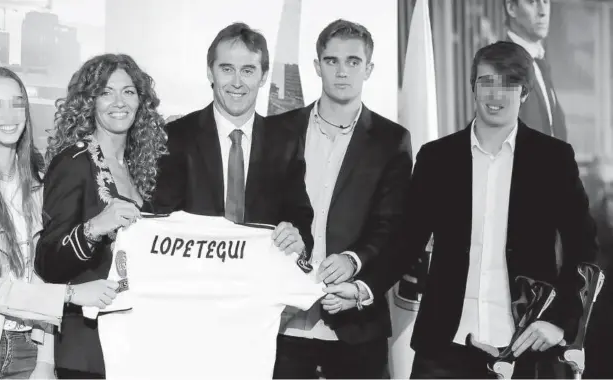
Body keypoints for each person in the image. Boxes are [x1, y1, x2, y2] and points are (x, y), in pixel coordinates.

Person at [395, 41, 598, 378]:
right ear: (473, 88)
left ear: (524, 93)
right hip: (443, 351)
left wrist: (562, 323)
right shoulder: (436, 158)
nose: (496, 93)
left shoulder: (553, 159)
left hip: (526, 349)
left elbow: (584, 246)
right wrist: (362, 284)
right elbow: (404, 242)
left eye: (508, 83)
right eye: (486, 81)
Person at [0, 67, 118, 379]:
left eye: (16, 103)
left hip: (28, 346)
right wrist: (70, 294)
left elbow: (44, 272)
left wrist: (45, 360)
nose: (8, 115)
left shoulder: (37, 185)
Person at [267, 19, 413, 379]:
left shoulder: (391, 140)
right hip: (281, 324)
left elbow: (392, 225)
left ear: (369, 69)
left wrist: (354, 259)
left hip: (355, 328)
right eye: (332, 61)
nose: (342, 71)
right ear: (317, 66)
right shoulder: (277, 130)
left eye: (353, 61)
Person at [34, 53, 168, 379]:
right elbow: (47, 261)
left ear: (141, 101)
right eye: (106, 92)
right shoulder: (74, 161)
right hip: (86, 351)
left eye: (128, 91)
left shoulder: (141, 166)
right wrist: (94, 228)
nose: (118, 101)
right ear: (89, 102)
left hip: (134, 344)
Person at [148, 22, 314, 258]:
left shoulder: (285, 142)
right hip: (193, 280)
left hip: (261, 281)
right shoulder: (175, 137)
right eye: (227, 69)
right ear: (210, 72)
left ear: (263, 76)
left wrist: (297, 239)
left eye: (247, 70)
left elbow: (300, 217)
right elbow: (159, 223)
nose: (237, 82)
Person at [504, 0, 567, 141]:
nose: (543, 11)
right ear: (511, 8)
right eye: (532, 2)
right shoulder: (502, 65)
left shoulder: (539, 61)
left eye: (546, 1)